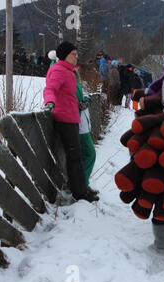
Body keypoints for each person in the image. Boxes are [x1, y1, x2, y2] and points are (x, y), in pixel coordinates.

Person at [43, 41, 98, 203]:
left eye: (76, 54)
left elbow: (70, 95)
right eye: (73, 54)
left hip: (73, 117)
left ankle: (80, 189)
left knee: (75, 156)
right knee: (74, 156)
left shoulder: (69, 71)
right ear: (64, 56)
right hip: (65, 119)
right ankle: (80, 193)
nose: (76, 57)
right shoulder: (59, 70)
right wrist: (49, 102)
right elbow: (50, 89)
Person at [75, 70, 99, 199]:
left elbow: (83, 95)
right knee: (90, 153)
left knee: (85, 155)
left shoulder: (77, 82)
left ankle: (82, 184)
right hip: (78, 126)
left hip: (82, 125)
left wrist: (86, 99)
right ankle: (81, 185)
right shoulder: (67, 78)